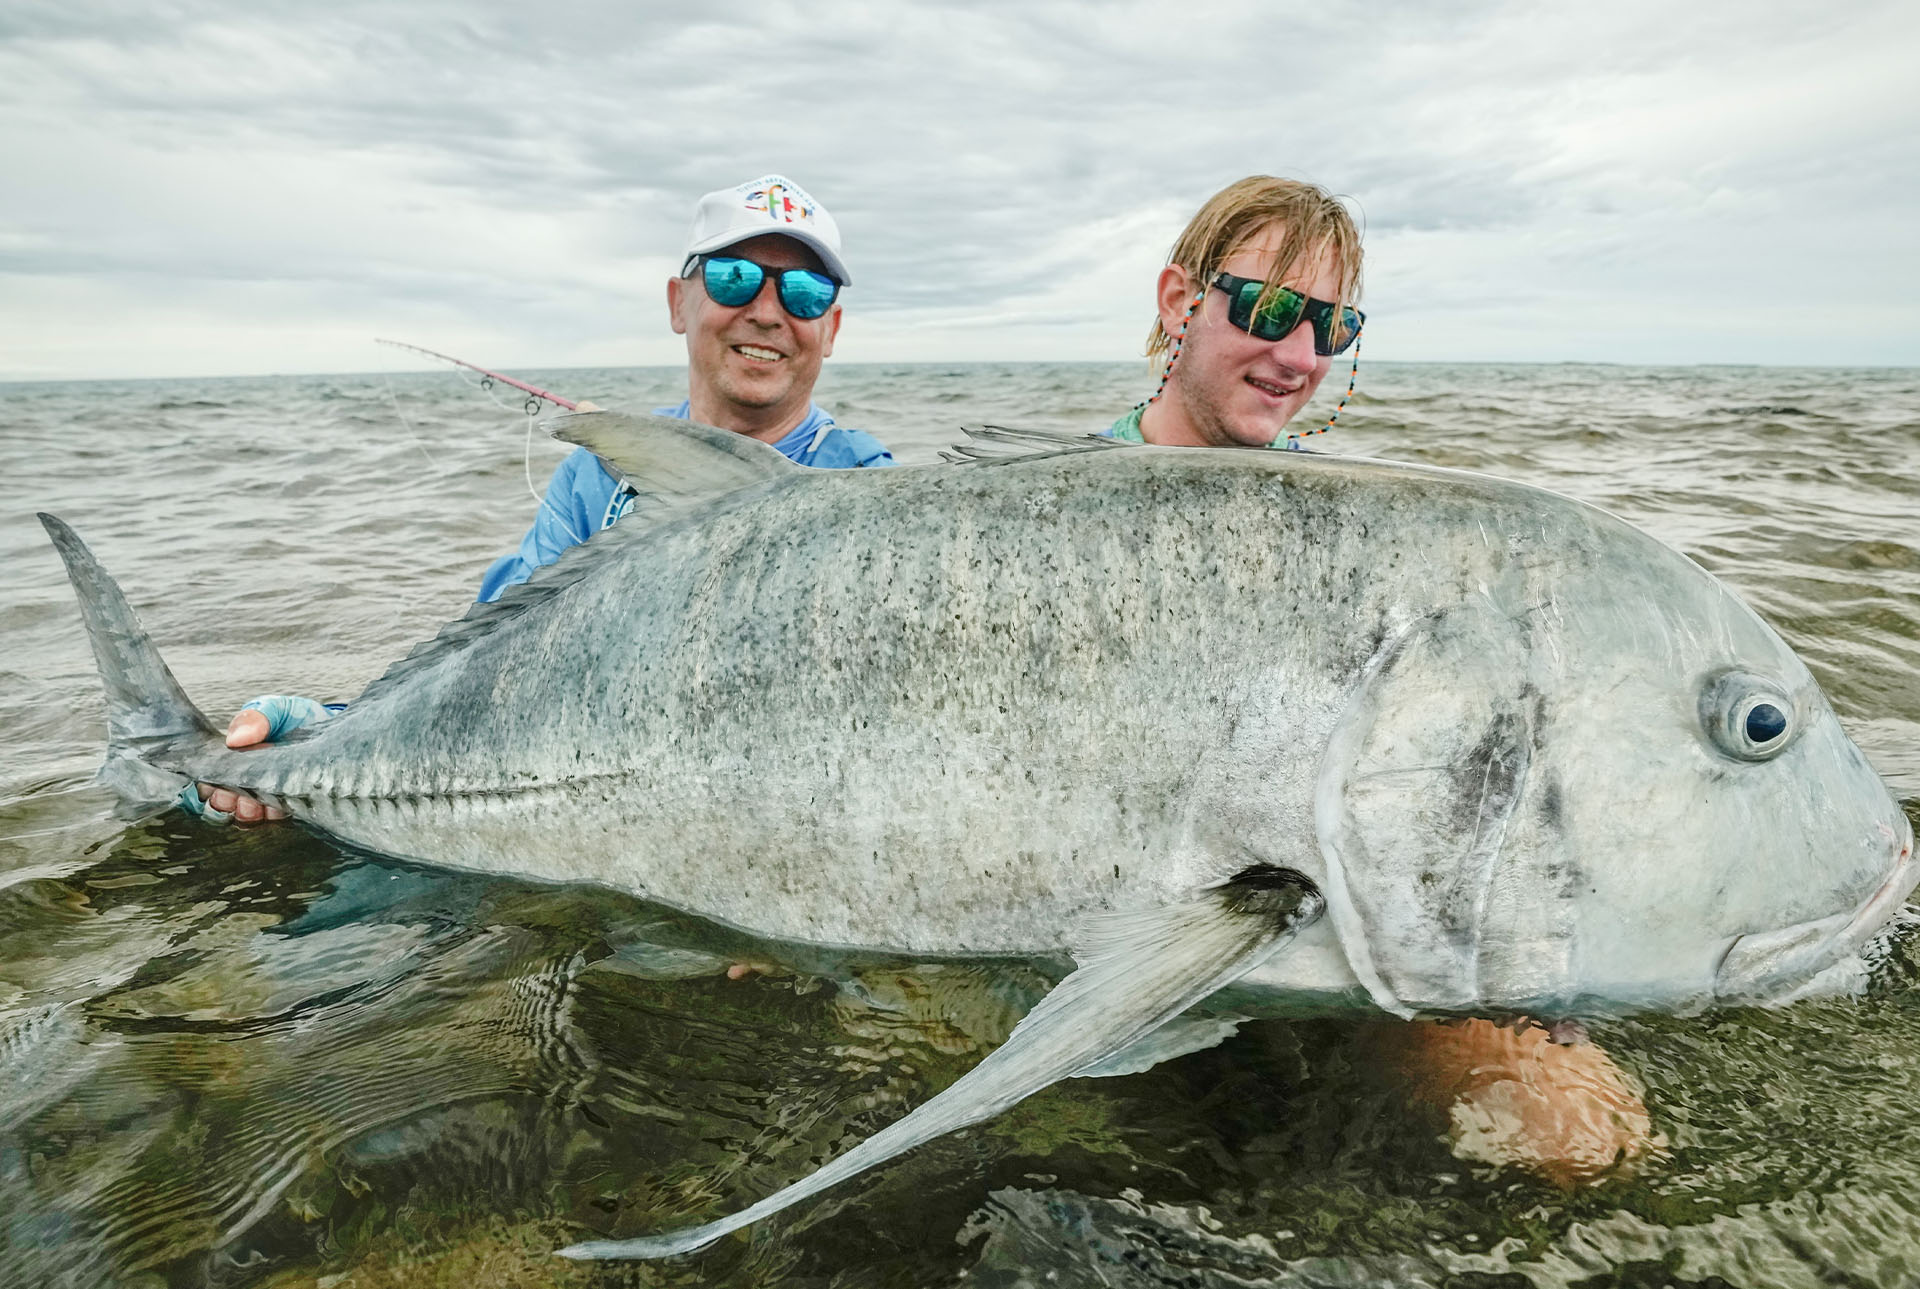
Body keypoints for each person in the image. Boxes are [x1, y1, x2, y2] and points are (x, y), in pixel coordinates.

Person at [1112, 173, 1656, 1186]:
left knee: (1583, 1137)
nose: (1299, 357)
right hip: (1138, 925)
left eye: (1332, 326)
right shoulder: (1056, 504)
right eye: (1270, 310)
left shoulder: (1343, 520)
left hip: (1313, 910)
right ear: (1178, 301)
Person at [191, 173, 890, 823]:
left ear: (830, 328)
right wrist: (326, 730)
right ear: (681, 304)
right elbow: (488, 666)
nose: (767, 313)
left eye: (804, 293)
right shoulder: (596, 479)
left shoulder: (867, 486)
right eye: (735, 279)